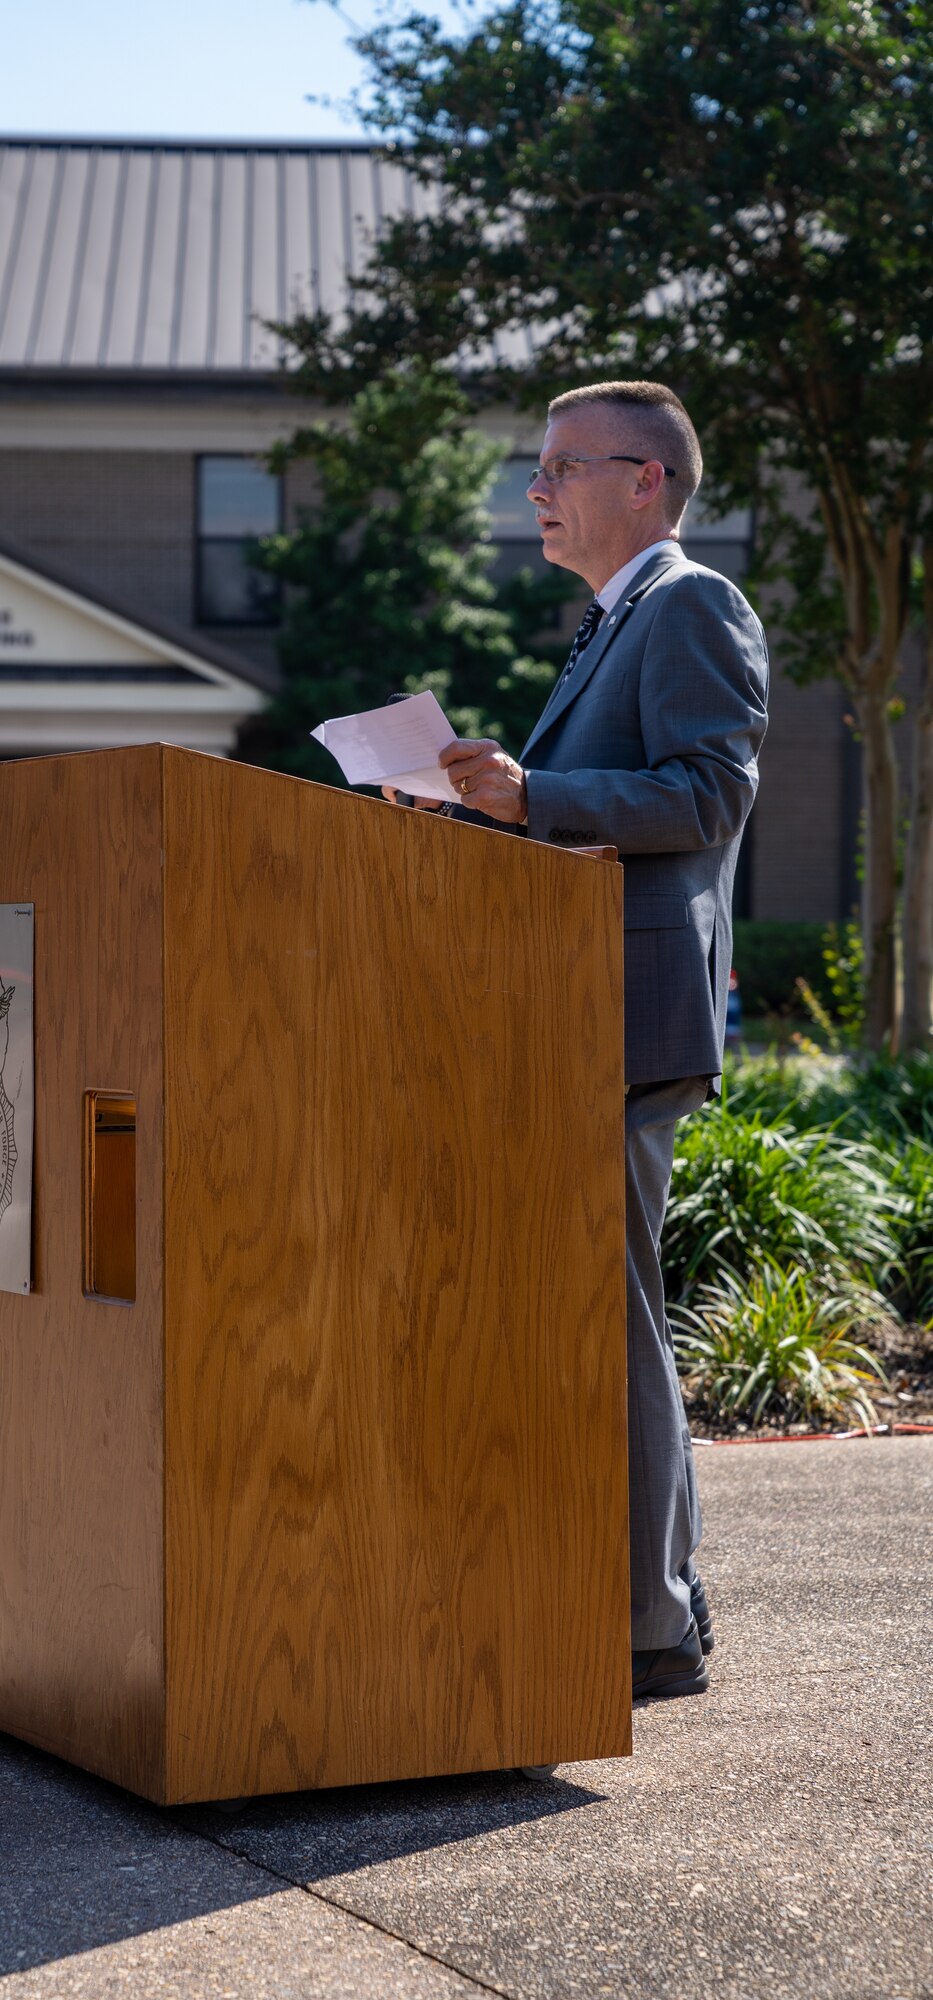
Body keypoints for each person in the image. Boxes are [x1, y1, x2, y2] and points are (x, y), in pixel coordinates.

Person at [387, 380, 768, 1700]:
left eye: (560, 467)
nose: (534, 490)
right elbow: (598, 813)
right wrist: (472, 817)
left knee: (612, 1320)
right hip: (563, 1012)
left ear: (645, 482)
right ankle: (652, 1600)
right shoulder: (608, 628)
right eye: (534, 468)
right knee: (605, 1313)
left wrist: (531, 791)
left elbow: (709, 792)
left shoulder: (688, 607)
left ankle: (651, 1625)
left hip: (623, 1015)